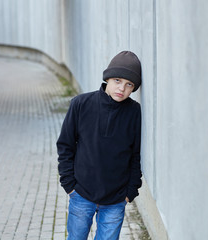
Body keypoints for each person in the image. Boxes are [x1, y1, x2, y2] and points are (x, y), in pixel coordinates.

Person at [57, 51, 143, 240]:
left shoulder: (134, 112)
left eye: (129, 85)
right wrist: (69, 184)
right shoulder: (81, 104)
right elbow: (65, 145)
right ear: (108, 79)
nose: (122, 88)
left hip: (116, 199)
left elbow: (136, 153)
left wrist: (130, 191)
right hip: (81, 194)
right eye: (118, 81)